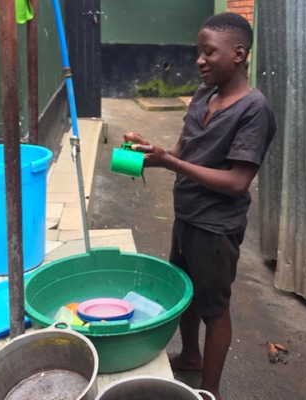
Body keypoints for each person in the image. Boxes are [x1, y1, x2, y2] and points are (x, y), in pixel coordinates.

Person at [124, 12, 276, 400]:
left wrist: (173, 162)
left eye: (209, 52)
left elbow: (237, 182)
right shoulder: (203, 95)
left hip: (216, 227)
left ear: (239, 53)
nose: (199, 60)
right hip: (187, 216)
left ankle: (210, 390)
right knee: (185, 291)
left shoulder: (253, 110)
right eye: (198, 52)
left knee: (214, 307)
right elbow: (182, 151)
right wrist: (152, 152)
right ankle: (191, 356)